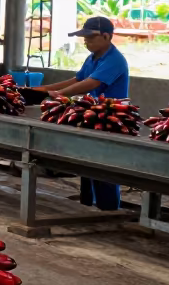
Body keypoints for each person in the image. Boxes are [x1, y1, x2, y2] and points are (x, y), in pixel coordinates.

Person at [32, 16, 130, 210]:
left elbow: (92, 83)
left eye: (91, 38)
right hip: (93, 116)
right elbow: (77, 79)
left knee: (105, 167)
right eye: (85, 38)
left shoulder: (114, 60)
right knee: (87, 163)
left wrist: (58, 94)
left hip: (110, 119)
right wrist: (43, 90)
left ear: (107, 36)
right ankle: (87, 205)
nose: (86, 42)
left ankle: (108, 210)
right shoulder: (92, 58)